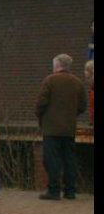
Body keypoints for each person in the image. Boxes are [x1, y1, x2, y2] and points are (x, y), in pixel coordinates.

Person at [35, 54, 87, 200]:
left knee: (52, 160)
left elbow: (40, 103)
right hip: (69, 128)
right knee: (69, 159)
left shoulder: (50, 80)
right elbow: (82, 106)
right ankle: (70, 191)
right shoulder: (78, 83)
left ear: (57, 65)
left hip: (51, 128)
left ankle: (54, 190)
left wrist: (41, 117)